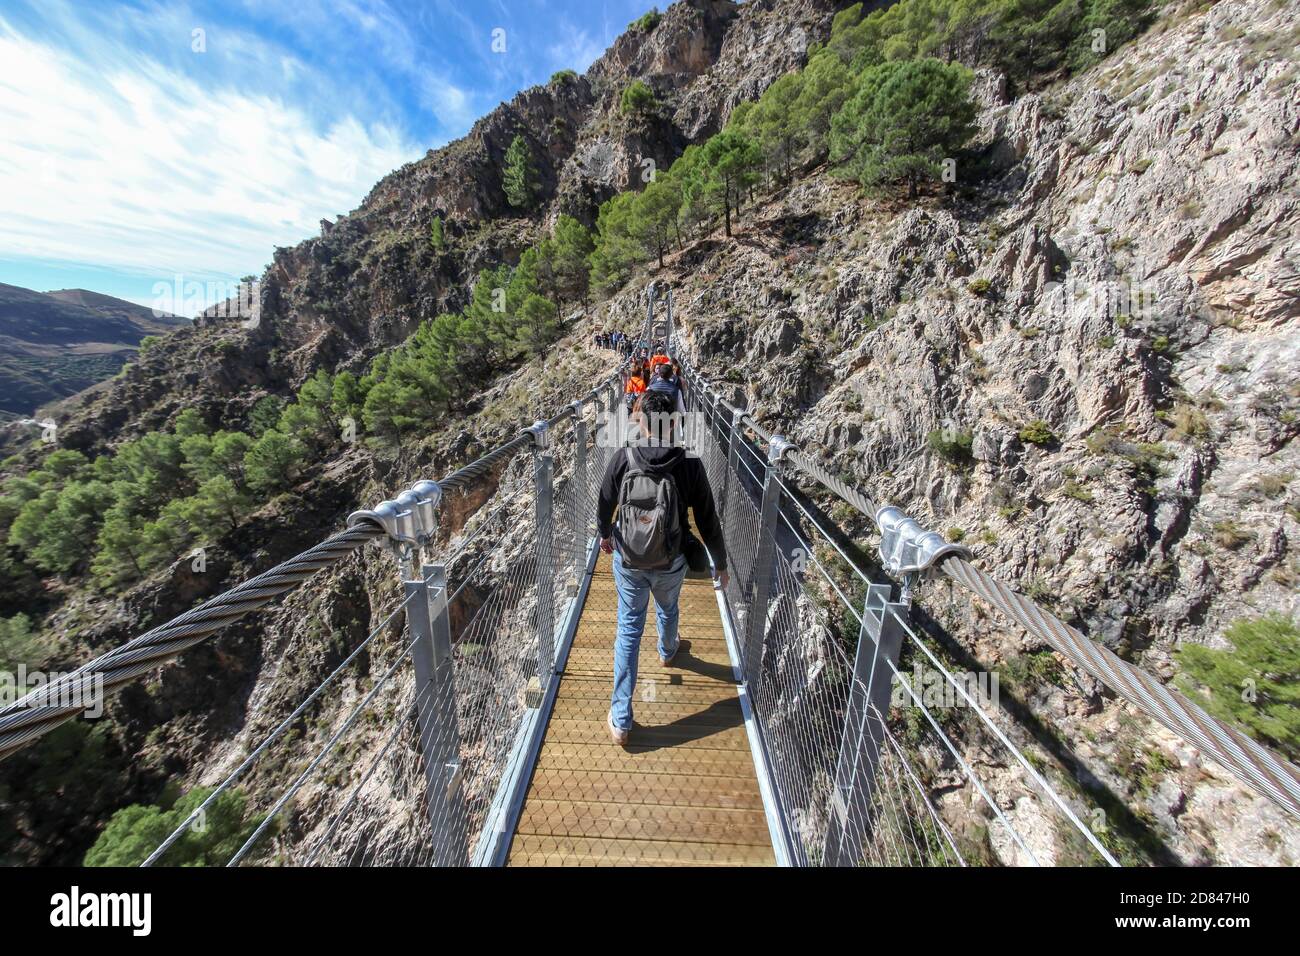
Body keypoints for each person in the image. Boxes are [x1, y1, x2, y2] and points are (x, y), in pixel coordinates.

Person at [597, 389, 729, 745]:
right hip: (671, 559)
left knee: (629, 628)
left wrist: (604, 536)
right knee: (668, 605)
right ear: (674, 422)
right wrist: (721, 562)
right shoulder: (689, 460)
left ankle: (621, 719)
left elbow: (605, 500)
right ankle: (668, 652)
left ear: (640, 420)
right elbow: (707, 517)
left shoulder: (623, 456)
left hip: (628, 558)